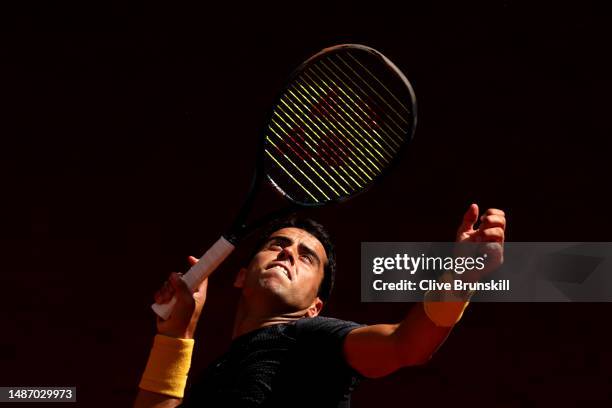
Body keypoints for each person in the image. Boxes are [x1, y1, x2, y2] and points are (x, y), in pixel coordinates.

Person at [134, 204, 506, 408]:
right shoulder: (217, 373)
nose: (287, 252)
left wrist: (461, 274)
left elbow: (406, 345)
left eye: (307, 256)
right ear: (240, 276)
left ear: (315, 306)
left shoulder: (312, 339)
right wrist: (177, 336)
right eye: (276, 244)